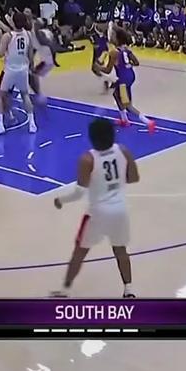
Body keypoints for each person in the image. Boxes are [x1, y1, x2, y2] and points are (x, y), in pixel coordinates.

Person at [50, 118, 141, 299]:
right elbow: (134, 178)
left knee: (79, 252)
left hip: (97, 213)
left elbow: (79, 193)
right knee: (121, 251)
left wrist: (61, 200)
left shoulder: (87, 159)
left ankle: (65, 291)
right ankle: (129, 290)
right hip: (120, 210)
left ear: (91, 138)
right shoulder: (123, 151)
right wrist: (115, 182)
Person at [104, 29, 157, 133]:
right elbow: (136, 62)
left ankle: (148, 122)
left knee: (128, 105)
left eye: (113, 35)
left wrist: (97, 67)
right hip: (130, 76)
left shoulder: (114, 52)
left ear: (117, 39)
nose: (111, 36)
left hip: (123, 79)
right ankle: (124, 119)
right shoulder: (125, 49)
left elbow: (108, 70)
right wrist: (127, 65)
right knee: (116, 94)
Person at [0, 12, 38, 135]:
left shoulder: (7, 36)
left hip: (9, 70)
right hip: (23, 69)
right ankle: (32, 124)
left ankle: (0, 125)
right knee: (25, 95)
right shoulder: (28, 34)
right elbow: (30, 55)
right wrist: (31, 67)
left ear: (13, 22)